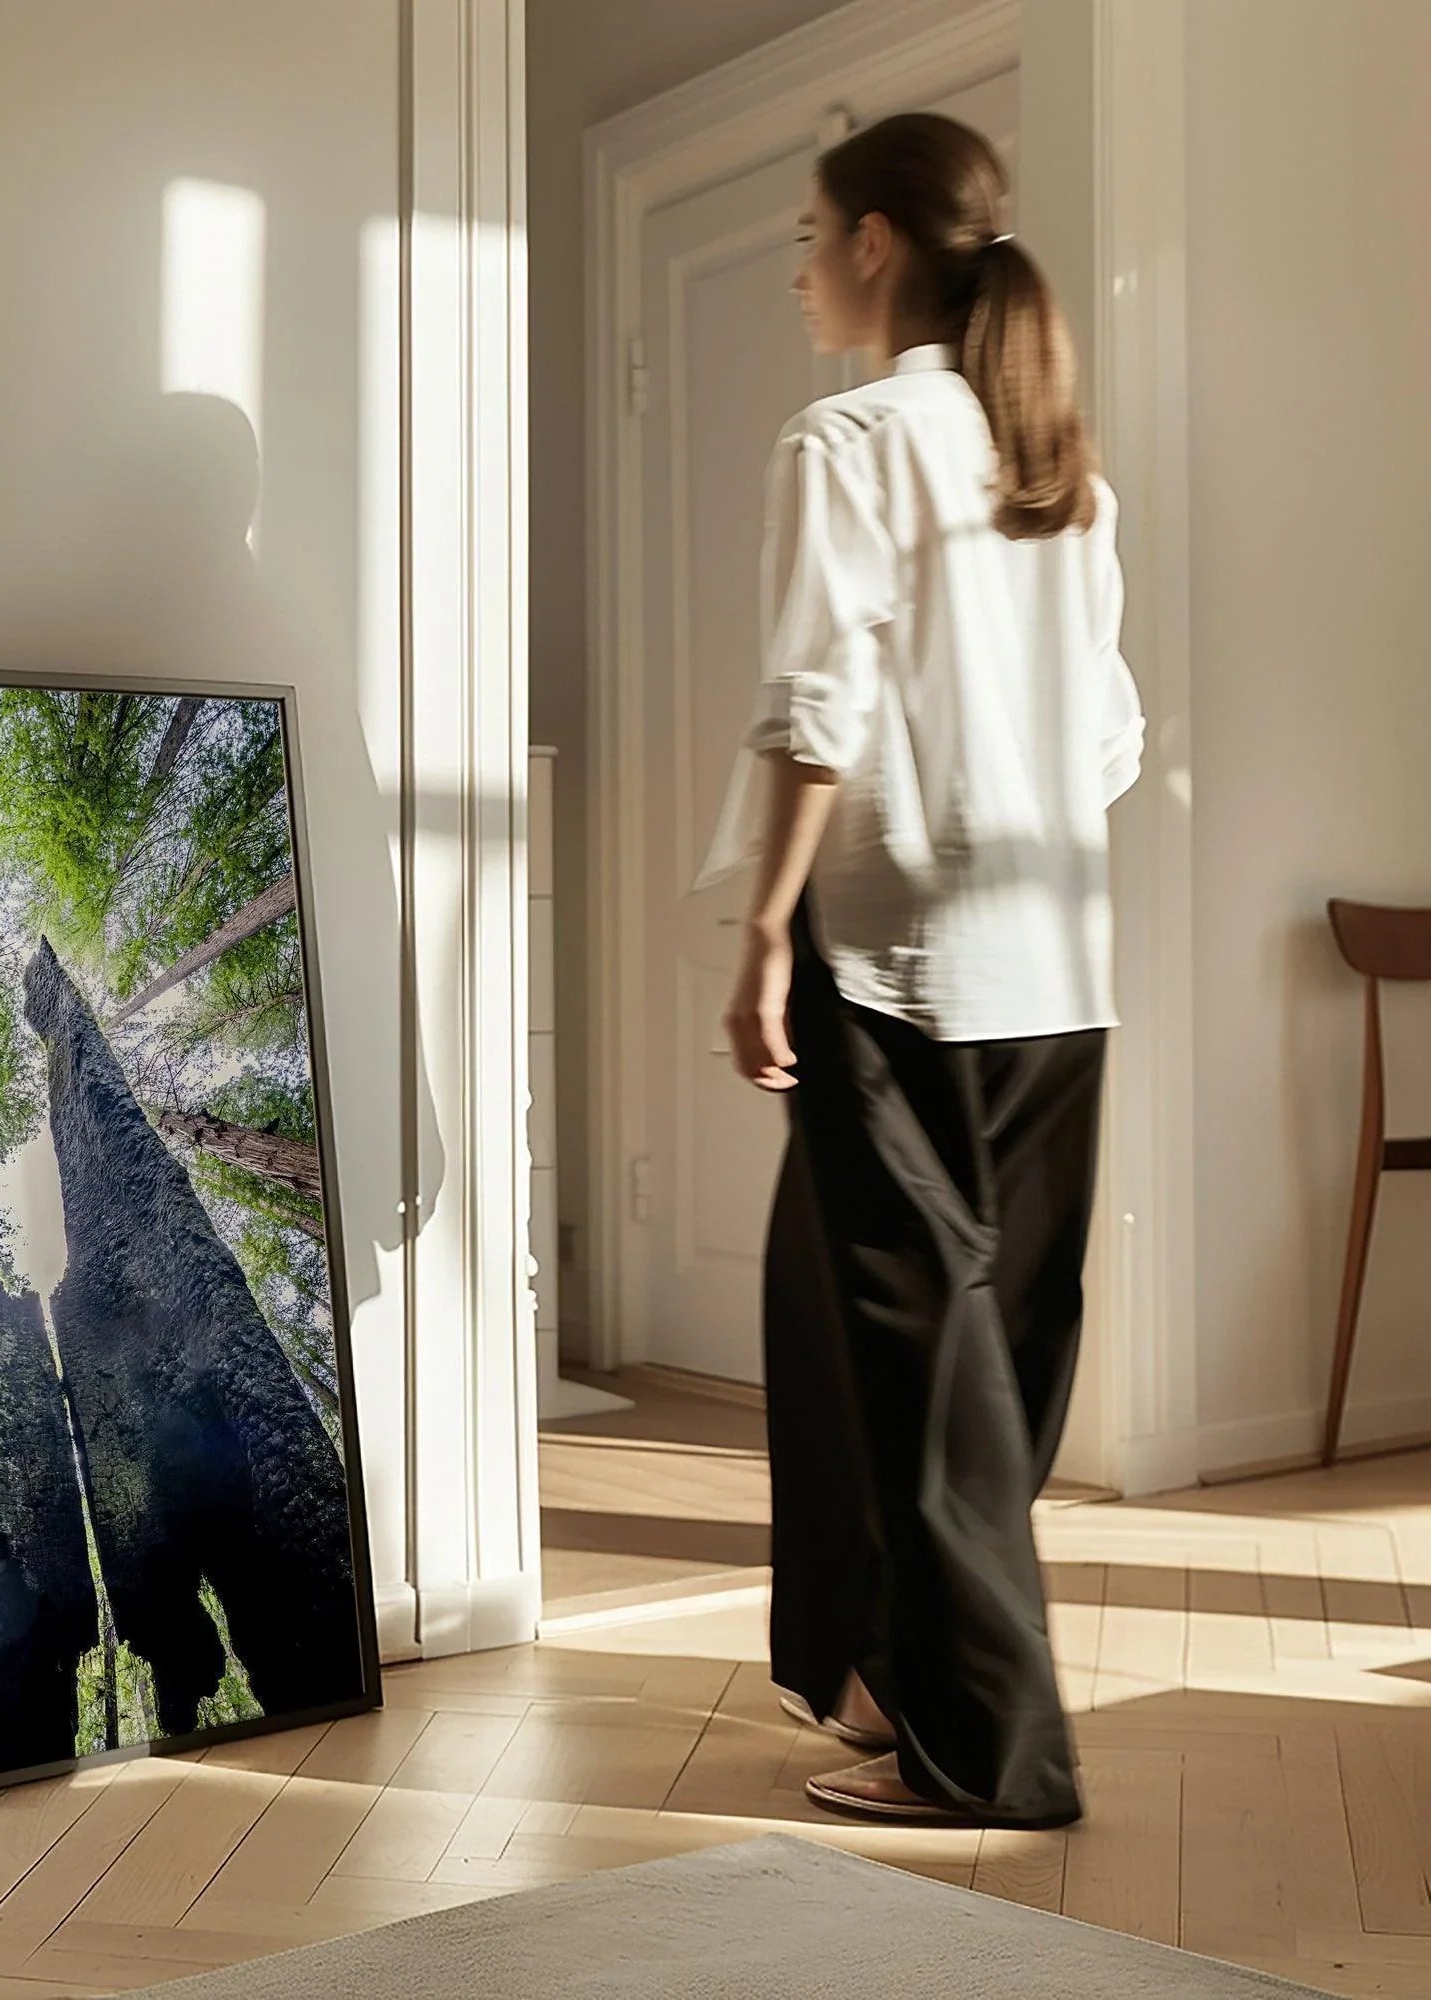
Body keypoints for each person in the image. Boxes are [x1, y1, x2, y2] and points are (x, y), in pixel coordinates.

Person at [696, 111, 1144, 1829]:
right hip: (1056, 971)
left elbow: (816, 710)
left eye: (811, 236)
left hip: (892, 967)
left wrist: (758, 934)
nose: (801, 269)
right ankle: (891, 1670)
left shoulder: (849, 439)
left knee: (921, 1367)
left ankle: (993, 1756)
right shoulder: (1064, 474)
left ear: (880, 243)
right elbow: (1105, 741)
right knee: (950, 1348)